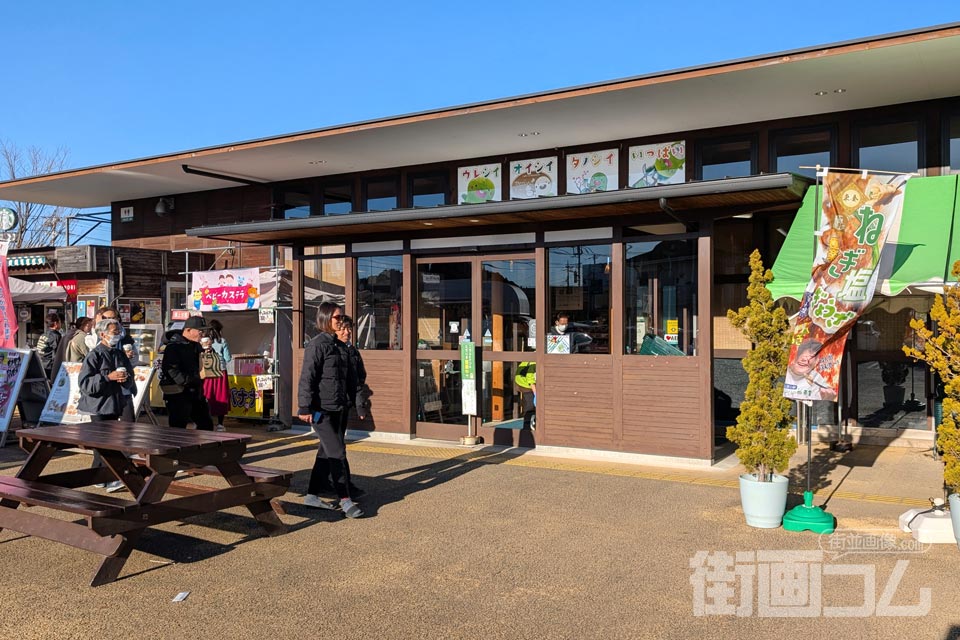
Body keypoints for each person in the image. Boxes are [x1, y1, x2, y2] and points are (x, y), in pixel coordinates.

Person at [297, 302, 362, 518]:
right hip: (319, 410)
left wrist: (356, 402)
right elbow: (307, 377)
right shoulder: (317, 344)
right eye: (337, 318)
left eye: (342, 317)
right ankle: (345, 499)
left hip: (338, 407)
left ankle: (312, 495)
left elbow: (353, 378)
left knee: (326, 452)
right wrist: (304, 407)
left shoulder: (341, 345)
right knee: (337, 452)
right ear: (325, 319)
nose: (341, 321)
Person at [77, 318, 137, 493]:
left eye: (119, 332)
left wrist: (126, 381)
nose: (117, 335)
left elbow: (130, 377)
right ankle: (110, 478)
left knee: (105, 442)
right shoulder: (94, 355)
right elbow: (85, 384)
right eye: (114, 332)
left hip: (114, 403)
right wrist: (107, 377)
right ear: (102, 334)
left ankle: (97, 477)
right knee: (105, 443)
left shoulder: (119, 354)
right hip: (97, 405)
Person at [335, 314, 369, 497]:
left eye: (349, 328)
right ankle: (343, 486)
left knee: (331, 448)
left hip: (344, 404)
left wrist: (359, 404)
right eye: (342, 328)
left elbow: (359, 378)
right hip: (329, 405)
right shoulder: (329, 349)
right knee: (337, 447)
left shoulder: (352, 351)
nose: (347, 332)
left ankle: (318, 485)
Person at [160, 315, 214, 430]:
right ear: (188, 330)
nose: (203, 334)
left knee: (206, 424)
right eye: (200, 331)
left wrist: (209, 352)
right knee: (178, 428)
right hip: (178, 393)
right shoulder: (174, 346)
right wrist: (190, 380)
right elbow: (170, 370)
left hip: (196, 392)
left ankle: (204, 448)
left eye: (204, 331)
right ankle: (177, 448)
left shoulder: (196, 345)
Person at [200, 331, 230, 431]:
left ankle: (208, 421)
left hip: (209, 372)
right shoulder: (222, 341)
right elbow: (227, 358)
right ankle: (219, 424)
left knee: (208, 395)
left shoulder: (200, 344)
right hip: (219, 371)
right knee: (220, 395)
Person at [36, 312, 63, 381]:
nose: (61, 324)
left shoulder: (43, 335)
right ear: (56, 323)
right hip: (50, 366)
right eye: (60, 322)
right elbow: (57, 353)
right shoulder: (56, 336)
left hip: (41, 364)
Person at [514, 361, 537, 430]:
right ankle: (527, 428)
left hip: (522, 381)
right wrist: (536, 394)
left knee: (531, 405)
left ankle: (532, 424)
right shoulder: (534, 364)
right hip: (524, 385)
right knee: (530, 406)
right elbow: (530, 380)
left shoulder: (530, 359)